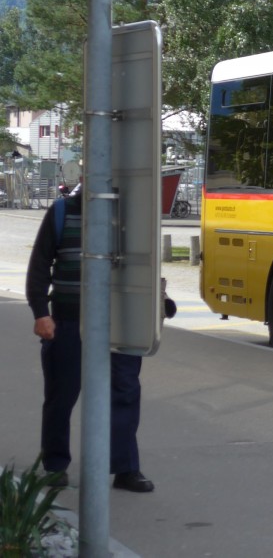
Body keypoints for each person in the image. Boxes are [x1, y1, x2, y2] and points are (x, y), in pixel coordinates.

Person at [25, 185, 155, 493]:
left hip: (120, 322)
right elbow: (40, 265)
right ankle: (55, 465)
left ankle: (125, 468)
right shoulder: (61, 212)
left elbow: (144, 265)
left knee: (124, 391)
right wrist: (41, 312)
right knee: (62, 394)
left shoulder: (128, 215)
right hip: (69, 321)